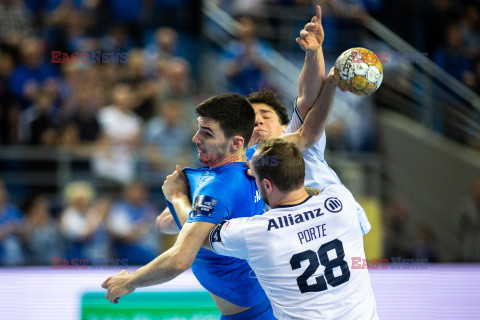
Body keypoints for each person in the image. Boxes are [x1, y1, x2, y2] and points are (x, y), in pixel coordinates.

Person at [102, 86, 331, 317]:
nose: (196, 139)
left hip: (253, 314)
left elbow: (179, 260)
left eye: (207, 133)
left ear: (235, 143)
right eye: (198, 129)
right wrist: (330, 84)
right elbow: (306, 135)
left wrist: (131, 281)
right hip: (261, 302)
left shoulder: (216, 188)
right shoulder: (257, 160)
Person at [207, 138, 378, 319]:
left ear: (267, 185)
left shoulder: (254, 232)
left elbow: (202, 232)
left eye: (255, 178)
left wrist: (178, 196)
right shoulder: (341, 200)